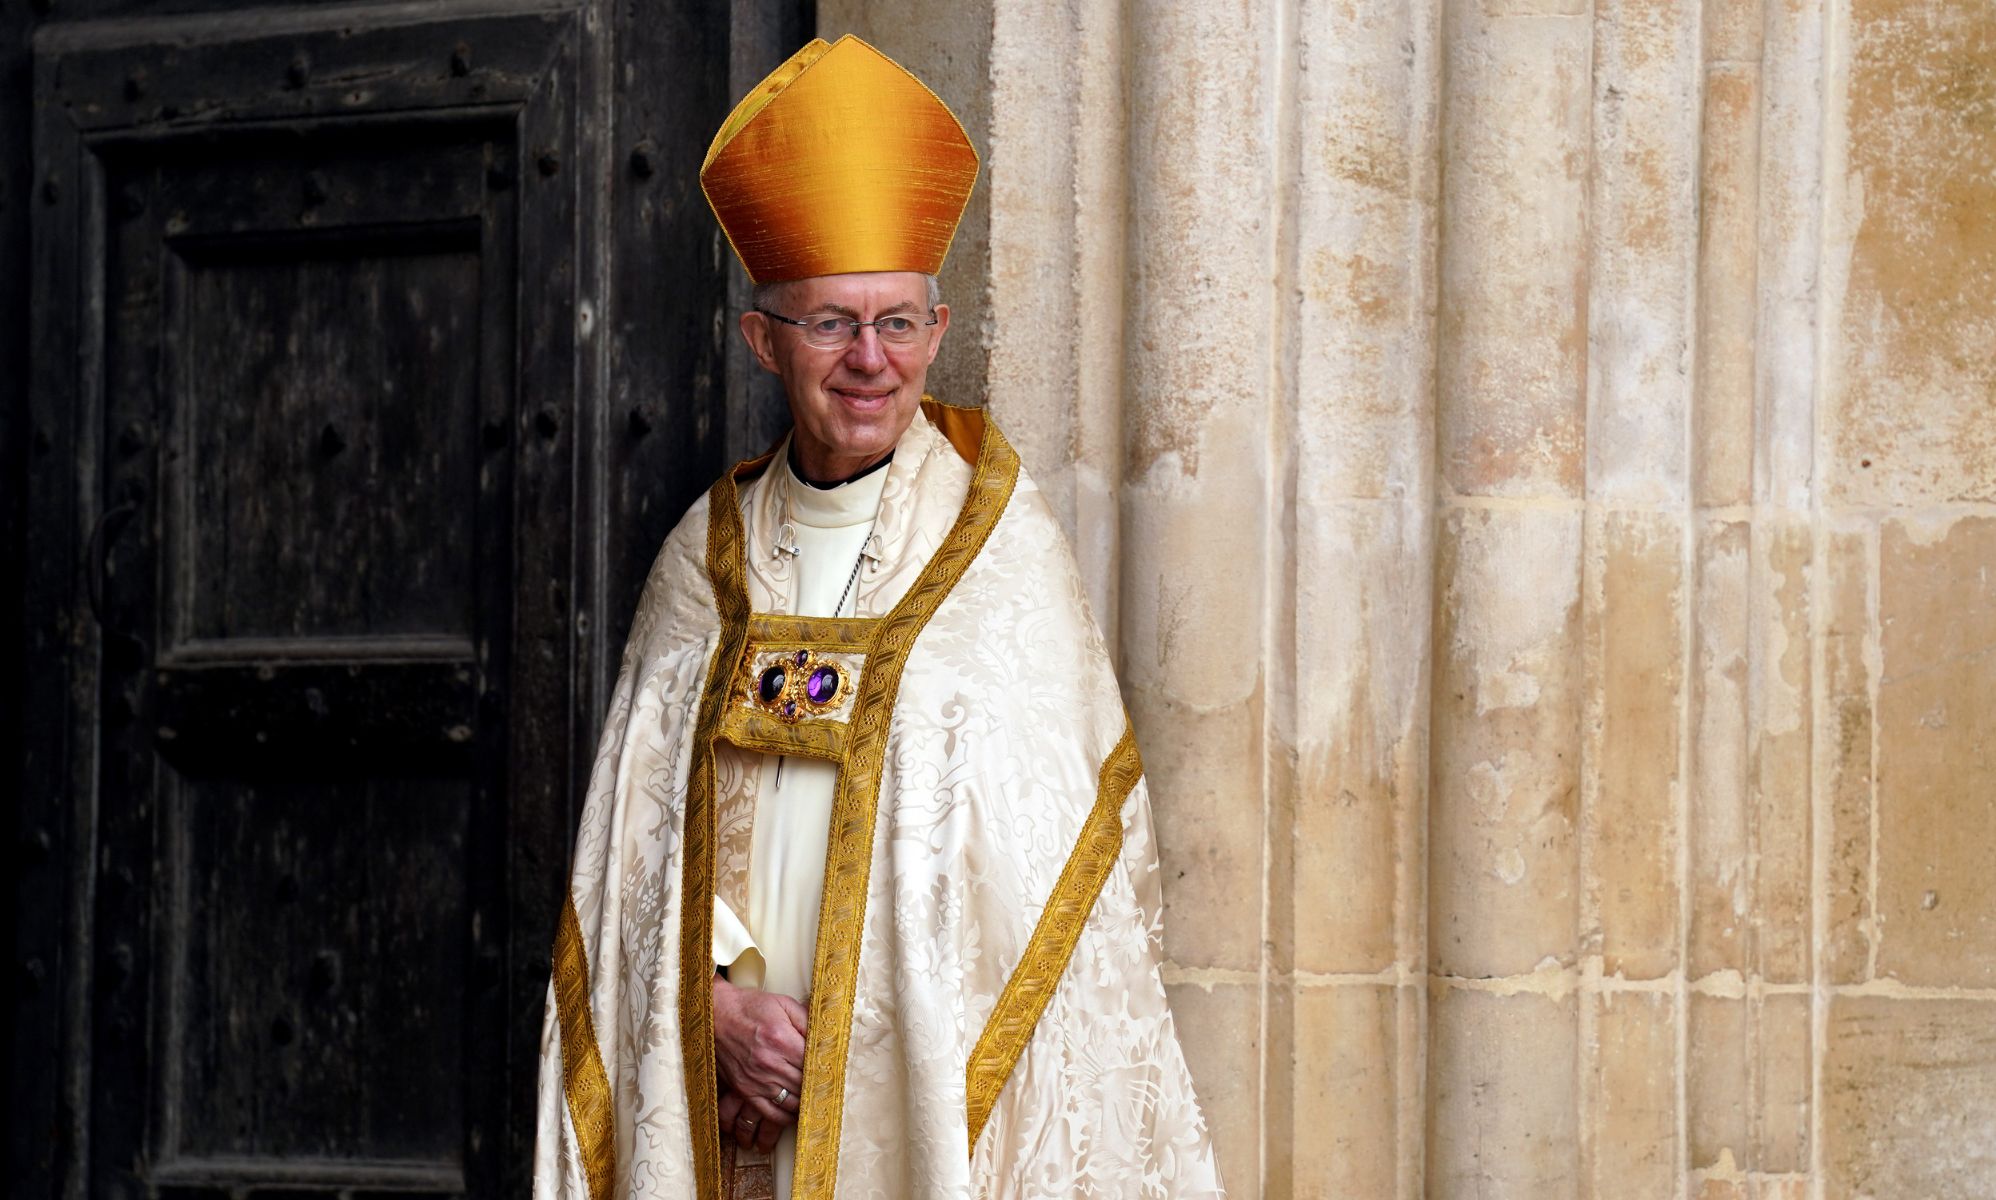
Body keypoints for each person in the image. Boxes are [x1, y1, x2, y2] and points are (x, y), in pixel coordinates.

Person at [532, 34, 1222, 1200]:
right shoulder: (701, 565)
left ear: (937, 333)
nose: (870, 361)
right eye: (832, 324)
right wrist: (708, 1012)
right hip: (723, 1103)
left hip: (917, 1099)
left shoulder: (1000, 556)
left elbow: (1054, 877)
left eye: (899, 323)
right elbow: (629, 857)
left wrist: (864, 1030)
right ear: (763, 339)